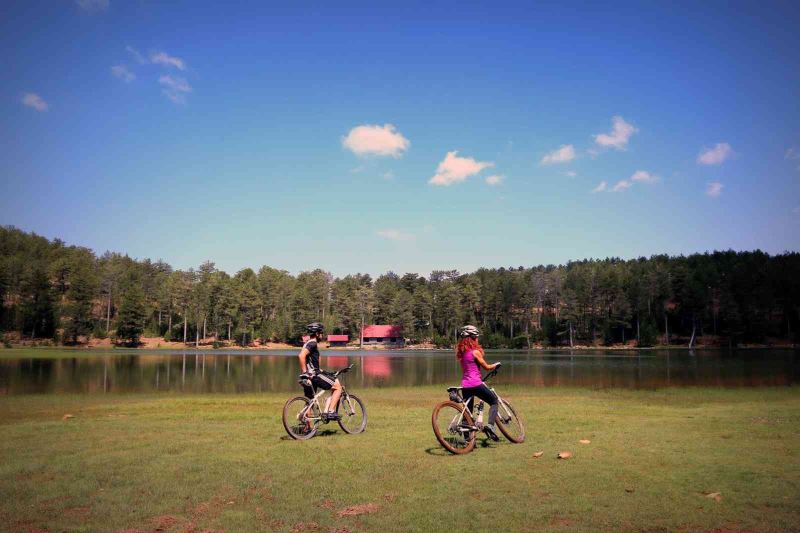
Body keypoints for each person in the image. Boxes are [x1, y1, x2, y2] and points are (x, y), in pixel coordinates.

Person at [456, 325, 500, 441]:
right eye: (476, 337)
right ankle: (490, 426)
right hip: (476, 383)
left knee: (468, 412)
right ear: (474, 338)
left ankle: (468, 440)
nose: (477, 339)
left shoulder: (463, 354)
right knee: (494, 401)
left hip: (465, 385)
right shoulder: (475, 352)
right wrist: (495, 365)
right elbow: (486, 367)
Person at [298, 322, 342, 421]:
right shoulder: (313, 343)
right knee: (338, 387)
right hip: (314, 376)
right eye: (321, 333)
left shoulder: (308, 343)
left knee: (310, 401)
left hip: (311, 375)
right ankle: (331, 411)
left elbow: (314, 366)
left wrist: (327, 373)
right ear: (317, 334)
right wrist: (305, 372)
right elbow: (301, 356)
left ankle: (307, 429)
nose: (322, 335)